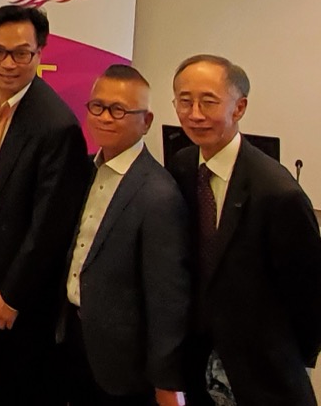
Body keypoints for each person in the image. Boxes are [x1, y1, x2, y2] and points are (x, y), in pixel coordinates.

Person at [168, 54, 321, 406]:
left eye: (208, 101)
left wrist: (288, 357)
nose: (194, 114)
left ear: (239, 108)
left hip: (261, 373)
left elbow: (310, 295)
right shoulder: (181, 165)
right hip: (197, 361)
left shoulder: (277, 193)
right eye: (184, 100)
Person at [0, 4, 90, 406]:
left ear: (41, 52)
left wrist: (14, 294)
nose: (7, 64)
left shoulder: (56, 125)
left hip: (16, 290)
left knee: (19, 388)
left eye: (21, 53)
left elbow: (49, 227)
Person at [59, 65, 190, 406]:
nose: (105, 118)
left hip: (122, 366)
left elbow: (167, 299)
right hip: (72, 338)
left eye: (119, 110)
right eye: (97, 107)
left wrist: (166, 381)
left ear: (145, 122)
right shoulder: (86, 169)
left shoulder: (158, 194)